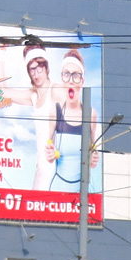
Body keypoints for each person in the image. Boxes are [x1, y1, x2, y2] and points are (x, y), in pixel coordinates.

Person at [3, 45, 58, 190]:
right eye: (32, 69)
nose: (36, 73)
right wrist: (1, 54)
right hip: (41, 163)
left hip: (56, 162)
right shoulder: (33, 95)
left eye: (39, 68)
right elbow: (3, 92)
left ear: (46, 68)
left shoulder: (57, 90)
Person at [46, 50, 99, 193]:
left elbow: (94, 153)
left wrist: (94, 157)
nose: (70, 80)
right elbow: (49, 149)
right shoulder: (55, 111)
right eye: (66, 74)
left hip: (84, 192)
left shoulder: (91, 114)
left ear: (82, 81)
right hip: (58, 191)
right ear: (62, 79)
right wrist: (49, 152)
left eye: (76, 75)